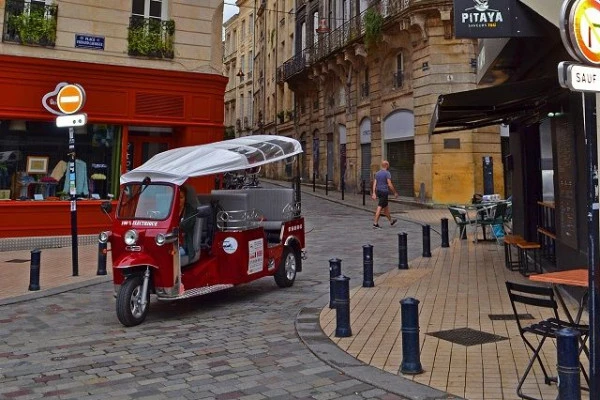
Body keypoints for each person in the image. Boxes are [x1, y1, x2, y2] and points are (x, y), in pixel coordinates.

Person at [371, 160, 399, 229]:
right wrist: (395, 192)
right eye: (388, 165)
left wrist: (374, 193)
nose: (389, 166)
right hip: (384, 192)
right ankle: (375, 224)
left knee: (386, 208)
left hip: (379, 192)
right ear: (386, 165)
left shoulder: (377, 173)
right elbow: (389, 184)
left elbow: (374, 184)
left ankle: (391, 221)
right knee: (380, 207)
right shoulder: (387, 173)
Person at [178, 185, 197, 261]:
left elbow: (184, 226)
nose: (179, 200)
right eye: (176, 198)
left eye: (181, 198)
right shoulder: (168, 210)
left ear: (185, 199)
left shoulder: (191, 211)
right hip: (168, 245)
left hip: (184, 246)